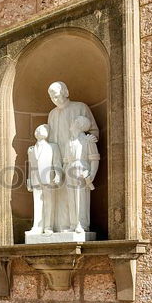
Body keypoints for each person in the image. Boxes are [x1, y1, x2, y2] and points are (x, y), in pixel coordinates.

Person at [47, 81, 99, 231]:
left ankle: (80, 224)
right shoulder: (52, 114)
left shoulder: (80, 108)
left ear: (65, 92)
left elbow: (93, 131)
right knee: (62, 195)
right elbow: (51, 140)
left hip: (79, 159)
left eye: (56, 96)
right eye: (51, 97)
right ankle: (64, 226)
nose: (54, 100)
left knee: (78, 196)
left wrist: (87, 142)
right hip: (61, 160)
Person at [64, 115, 100, 233]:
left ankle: (82, 223)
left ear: (79, 125)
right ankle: (73, 224)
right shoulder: (69, 142)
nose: (72, 122)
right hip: (70, 170)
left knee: (81, 198)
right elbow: (65, 160)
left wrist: (92, 174)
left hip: (82, 169)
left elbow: (94, 158)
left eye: (74, 120)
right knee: (71, 198)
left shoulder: (88, 140)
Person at [26, 124, 62, 236]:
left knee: (49, 202)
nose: (43, 130)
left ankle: (48, 226)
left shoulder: (53, 146)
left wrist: (58, 174)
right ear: (36, 133)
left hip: (48, 178)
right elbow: (30, 165)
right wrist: (29, 180)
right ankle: (37, 226)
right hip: (35, 179)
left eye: (45, 129)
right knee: (37, 202)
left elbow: (57, 162)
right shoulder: (31, 150)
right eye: (40, 129)